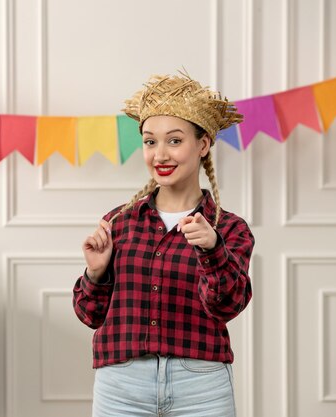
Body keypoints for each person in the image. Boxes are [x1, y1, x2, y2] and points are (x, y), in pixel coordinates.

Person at [72, 72, 254, 417]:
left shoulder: (229, 229)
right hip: (121, 385)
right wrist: (95, 274)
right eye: (150, 141)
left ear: (202, 145)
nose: (160, 155)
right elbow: (89, 315)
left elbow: (228, 306)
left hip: (201, 387)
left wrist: (213, 251)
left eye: (174, 141)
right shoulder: (118, 223)